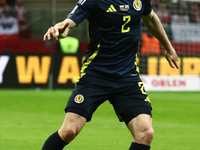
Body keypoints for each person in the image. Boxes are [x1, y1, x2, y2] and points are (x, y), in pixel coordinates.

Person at [42, 0, 179, 150]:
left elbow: (150, 18)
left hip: (127, 78)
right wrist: (61, 28)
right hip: (95, 75)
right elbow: (71, 22)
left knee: (145, 133)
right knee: (69, 130)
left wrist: (168, 47)